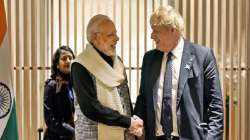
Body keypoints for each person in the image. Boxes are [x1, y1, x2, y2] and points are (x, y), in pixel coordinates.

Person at [134, 5, 224, 140]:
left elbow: (215, 106)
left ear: (173, 30)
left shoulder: (202, 56)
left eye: (156, 31)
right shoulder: (149, 59)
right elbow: (143, 98)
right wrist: (137, 123)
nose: (152, 35)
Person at [71, 14, 142, 140]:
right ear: (95, 37)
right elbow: (90, 108)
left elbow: (125, 99)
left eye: (116, 34)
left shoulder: (118, 62)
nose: (117, 39)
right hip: (93, 135)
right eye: (111, 35)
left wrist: (133, 123)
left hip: (125, 133)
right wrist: (127, 122)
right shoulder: (81, 65)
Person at [43, 46, 75, 140]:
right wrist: (72, 132)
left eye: (70, 58)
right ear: (57, 64)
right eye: (64, 58)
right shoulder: (51, 85)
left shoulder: (74, 84)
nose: (68, 61)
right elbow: (50, 120)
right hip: (56, 137)